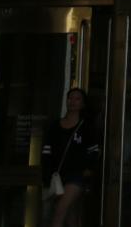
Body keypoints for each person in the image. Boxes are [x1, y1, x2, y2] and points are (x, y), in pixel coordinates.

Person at [41, 87, 101, 227]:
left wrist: (88, 169)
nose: (72, 101)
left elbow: (94, 151)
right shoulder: (55, 126)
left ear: (83, 104)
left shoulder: (86, 127)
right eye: (70, 98)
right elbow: (46, 152)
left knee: (60, 210)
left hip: (77, 176)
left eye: (77, 98)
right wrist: (47, 175)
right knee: (71, 214)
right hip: (58, 175)